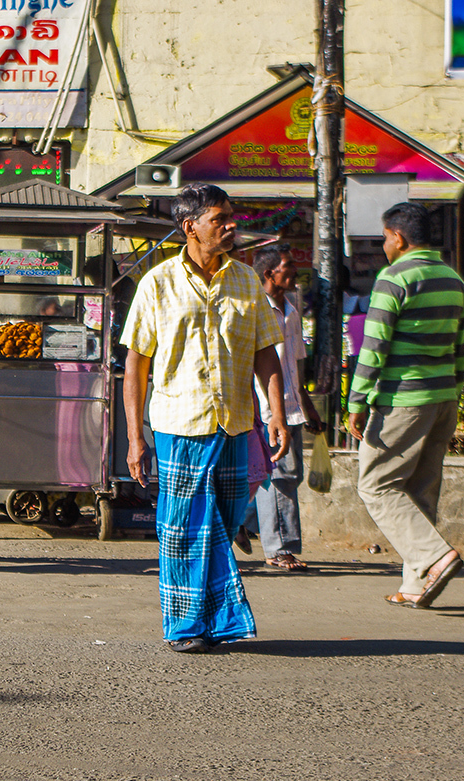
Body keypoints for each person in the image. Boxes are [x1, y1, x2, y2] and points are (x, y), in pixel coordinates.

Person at [120, 183, 289, 653]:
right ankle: (188, 625)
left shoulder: (246, 279)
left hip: (235, 422)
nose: (231, 225)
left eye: (231, 217)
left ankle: (212, 618)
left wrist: (277, 413)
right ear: (190, 226)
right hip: (180, 423)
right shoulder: (158, 283)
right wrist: (136, 438)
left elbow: (265, 352)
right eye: (221, 218)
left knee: (225, 518)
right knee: (184, 525)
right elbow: (136, 362)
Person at [348, 202, 464, 609]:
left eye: (385, 237)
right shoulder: (453, 279)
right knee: (420, 489)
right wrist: (451, 391)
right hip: (443, 398)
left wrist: (357, 401)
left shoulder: (394, 277)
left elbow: (374, 346)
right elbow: (461, 347)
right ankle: (417, 585)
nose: (384, 245)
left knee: (376, 484)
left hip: (404, 399)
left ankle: (434, 556)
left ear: (398, 237)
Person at [244, 243, 325, 571]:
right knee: (280, 476)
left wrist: (308, 406)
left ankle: (242, 521)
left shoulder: (292, 309)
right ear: (269, 274)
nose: (294, 271)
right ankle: (280, 549)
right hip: (266, 408)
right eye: (288, 266)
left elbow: (294, 364)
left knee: (282, 474)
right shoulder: (255, 309)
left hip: (291, 406)